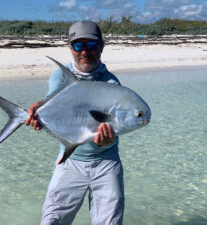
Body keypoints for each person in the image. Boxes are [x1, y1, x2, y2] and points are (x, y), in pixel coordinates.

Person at [25, 20, 124, 225]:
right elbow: (54, 100)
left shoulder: (111, 84)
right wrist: (39, 109)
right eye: (78, 45)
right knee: (52, 221)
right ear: (70, 48)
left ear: (101, 47)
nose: (84, 51)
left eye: (91, 45)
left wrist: (104, 140)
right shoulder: (60, 74)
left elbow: (116, 123)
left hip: (106, 161)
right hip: (69, 160)